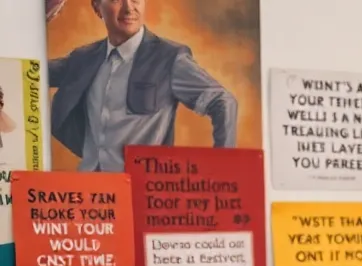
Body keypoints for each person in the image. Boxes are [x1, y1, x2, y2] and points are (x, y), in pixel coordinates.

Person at [47, 0, 238, 172]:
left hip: (142, 194)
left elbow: (222, 102)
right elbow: (38, 72)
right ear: (97, 7)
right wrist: (40, 18)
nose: (129, 8)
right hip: (91, 191)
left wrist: (221, 169)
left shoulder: (169, 58)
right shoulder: (84, 58)